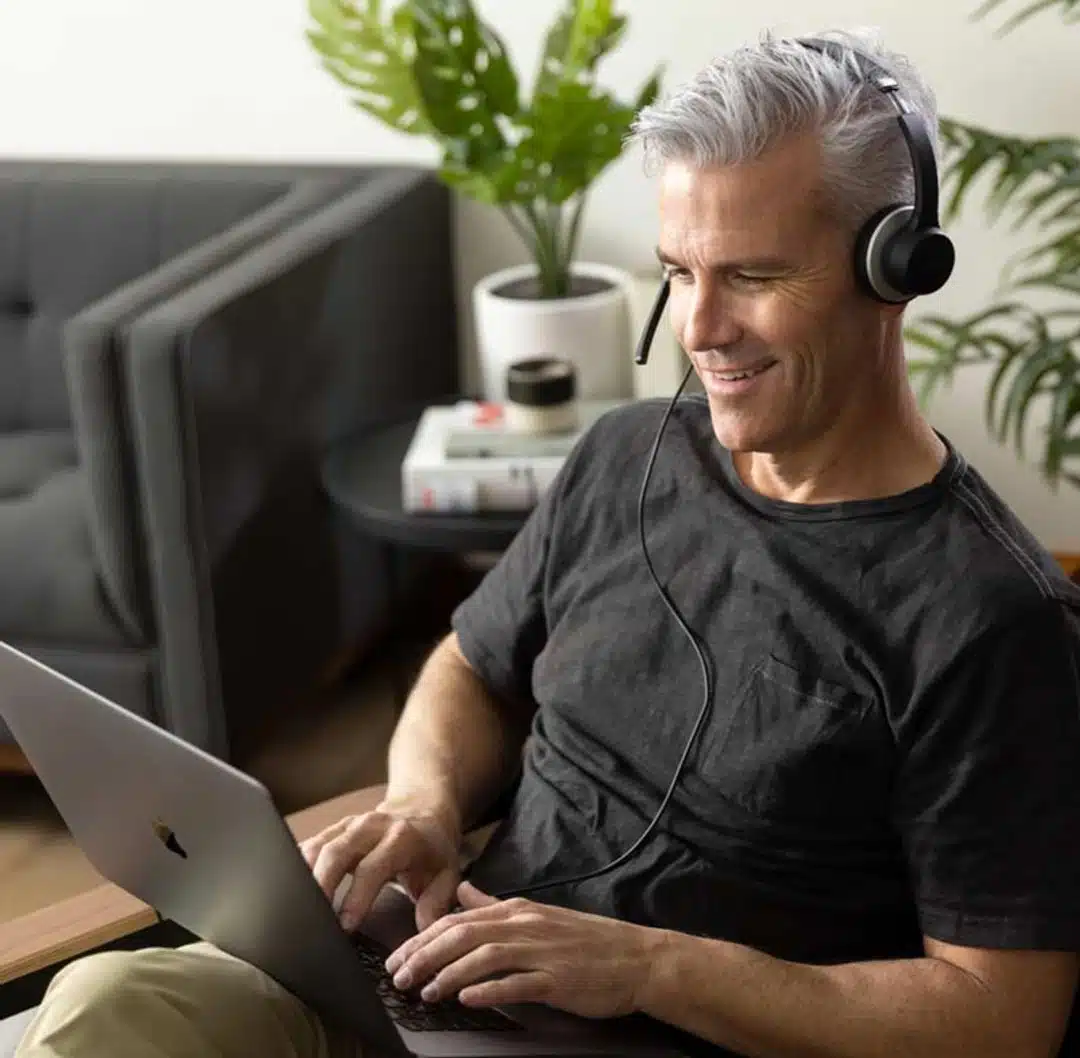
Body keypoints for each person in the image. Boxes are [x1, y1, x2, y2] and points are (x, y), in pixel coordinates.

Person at [16, 25, 1080, 1058]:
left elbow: (995, 1018)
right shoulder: (625, 454)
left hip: (658, 1031)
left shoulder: (991, 618)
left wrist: (649, 966)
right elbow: (469, 667)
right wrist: (423, 805)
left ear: (895, 269)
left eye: (751, 277)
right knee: (112, 1000)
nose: (699, 329)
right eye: (679, 270)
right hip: (431, 979)